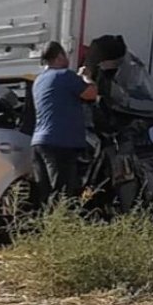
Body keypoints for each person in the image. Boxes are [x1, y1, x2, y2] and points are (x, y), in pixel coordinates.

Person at [31, 41, 98, 203]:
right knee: (62, 195)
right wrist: (86, 77)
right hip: (61, 143)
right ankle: (61, 224)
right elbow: (91, 94)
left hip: (39, 142)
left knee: (46, 194)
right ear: (60, 56)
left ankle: (48, 225)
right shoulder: (65, 75)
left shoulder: (38, 81)